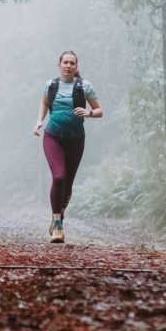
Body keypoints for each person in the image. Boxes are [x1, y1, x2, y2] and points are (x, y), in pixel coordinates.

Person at [32, 50, 102, 243]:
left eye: (72, 63)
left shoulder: (84, 86)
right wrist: (39, 121)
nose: (69, 66)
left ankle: (59, 216)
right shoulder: (51, 85)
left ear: (76, 66)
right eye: (65, 62)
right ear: (59, 64)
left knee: (68, 183)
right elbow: (44, 103)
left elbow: (99, 110)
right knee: (59, 177)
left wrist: (88, 113)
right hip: (53, 136)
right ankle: (57, 226)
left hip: (76, 139)